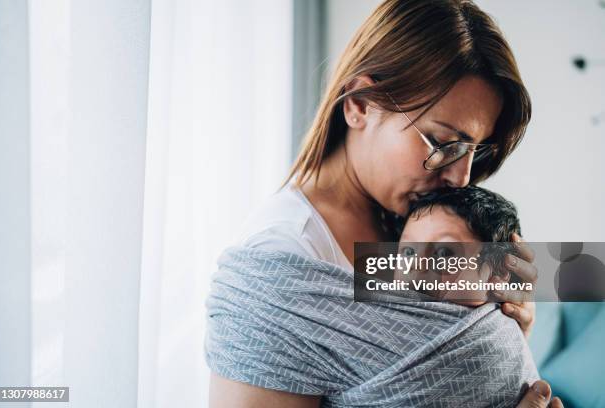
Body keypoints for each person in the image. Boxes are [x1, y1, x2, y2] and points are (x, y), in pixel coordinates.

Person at [208, 0, 563, 406]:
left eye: (474, 152)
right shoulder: (282, 257)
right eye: (445, 144)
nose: (461, 177)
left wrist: (502, 337)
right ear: (360, 104)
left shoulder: (414, 222)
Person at [396, 185, 522, 305]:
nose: (417, 264)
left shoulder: (499, 325)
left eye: (443, 253)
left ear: (497, 274)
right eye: (409, 252)